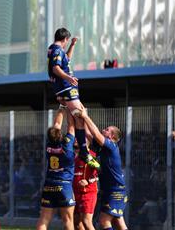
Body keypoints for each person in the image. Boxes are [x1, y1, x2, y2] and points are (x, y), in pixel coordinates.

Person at [47, 28, 99, 170]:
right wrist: (68, 78)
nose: (66, 44)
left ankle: (84, 150)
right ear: (64, 39)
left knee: (77, 116)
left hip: (64, 87)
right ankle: (84, 152)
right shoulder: (57, 50)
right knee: (81, 116)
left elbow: (66, 60)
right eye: (67, 42)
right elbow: (56, 69)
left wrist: (73, 45)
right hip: (66, 87)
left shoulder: (56, 50)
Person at [77, 109, 129, 230]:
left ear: (111, 136)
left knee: (104, 220)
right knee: (119, 223)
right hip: (111, 191)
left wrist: (86, 116)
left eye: (106, 130)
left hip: (115, 191)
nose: (103, 130)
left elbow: (96, 135)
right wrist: (80, 114)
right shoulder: (103, 148)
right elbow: (89, 135)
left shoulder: (111, 146)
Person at [36, 107, 76, 230]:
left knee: (43, 220)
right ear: (60, 136)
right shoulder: (67, 146)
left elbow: (57, 124)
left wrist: (61, 109)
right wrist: (70, 108)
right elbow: (71, 126)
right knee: (68, 221)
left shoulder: (49, 146)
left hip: (49, 184)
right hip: (64, 185)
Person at [72, 137, 98, 230]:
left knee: (86, 222)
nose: (75, 139)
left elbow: (100, 172)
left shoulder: (91, 156)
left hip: (87, 193)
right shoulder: (73, 155)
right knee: (77, 223)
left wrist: (88, 181)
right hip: (74, 193)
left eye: (77, 137)